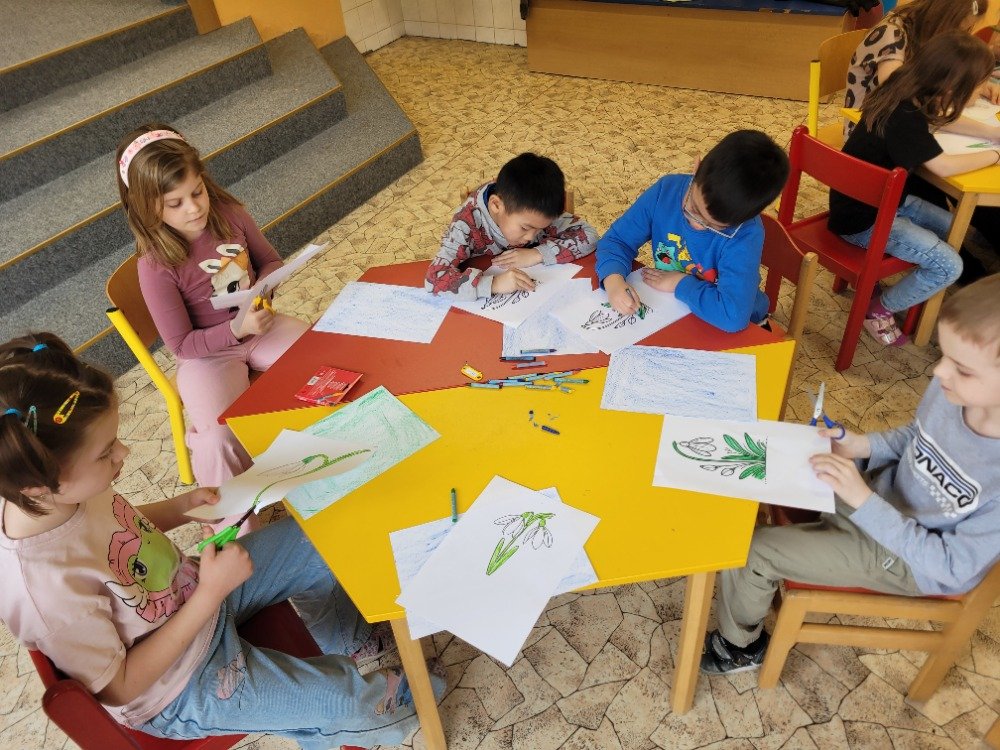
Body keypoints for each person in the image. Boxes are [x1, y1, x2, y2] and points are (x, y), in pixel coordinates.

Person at [0, 332, 442, 746]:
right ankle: (385, 713)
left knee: (319, 539)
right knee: (351, 701)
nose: (124, 454)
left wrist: (181, 507)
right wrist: (211, 593)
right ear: (40, 485)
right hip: (176, 687)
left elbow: (120, 526)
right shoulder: (43, 590)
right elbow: (119, 687)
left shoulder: (61, 489)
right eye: (106, 453)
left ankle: (347, 639)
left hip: (195, 593)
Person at [701, 273, 1000, 675]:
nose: (939, 371)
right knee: (775, 458)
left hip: (909, 560)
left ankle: (739, 648)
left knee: (754, 553)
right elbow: (917, 436)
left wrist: (863, 500)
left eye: (962, 368)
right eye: (944, 356)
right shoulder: (953, 391)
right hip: (880, 498)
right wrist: (860, 445)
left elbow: (950, 566)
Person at [117, 123, 309, 530]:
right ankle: (234, 528)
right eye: (175, 203)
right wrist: (237, 330)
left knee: (324, 358)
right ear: (148, 208)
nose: (194, 209)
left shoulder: (231, 215)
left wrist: (263, 291)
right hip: (206, 355)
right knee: (218, 439)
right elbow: (182, 346)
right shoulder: (154, 265)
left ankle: (319, 464)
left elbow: (270, 261)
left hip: (259, 327)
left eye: (197, 192)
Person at [830, 32, 998, 346]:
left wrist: (993, 134)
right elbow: (942, 166)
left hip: (876, 201)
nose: (982, 91)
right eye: (980, 84)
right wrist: (995, 155)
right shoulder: (904, 115)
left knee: (956, 228)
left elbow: (941, 122)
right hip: (865, 220)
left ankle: (889, 281)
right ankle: (878, 310)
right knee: (950, 266)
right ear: (952, 87)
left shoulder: (905, 89)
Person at [595, 130, 789, 333]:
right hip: (675, 309)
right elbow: (617, 240)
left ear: (744, 219)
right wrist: (613, 279)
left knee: (773, 349)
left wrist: (680, 283)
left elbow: (733, 317)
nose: (697, 226)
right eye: (693, 209)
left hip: (748, 324)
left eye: (714, 227)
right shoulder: (665, 192)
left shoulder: (746, 234)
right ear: (697, 167)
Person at [425, 152, 597, 300]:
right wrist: (494, 284)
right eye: (525, 228)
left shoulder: (537, 212)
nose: (531, 236)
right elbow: (434, 279)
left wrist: (538, 254)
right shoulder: (465, 224)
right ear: (496, 206)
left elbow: (590, 235)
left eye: (540, 229)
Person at [844, 0, 996, 139]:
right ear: (943, 16)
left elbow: (936, 78)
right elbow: (906, 103)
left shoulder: (927, 31)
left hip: (899, 126)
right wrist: (989, 131)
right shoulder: (892, 34)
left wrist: (975, 85)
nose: (958, 35)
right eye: (959, 28)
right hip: (867, 134)